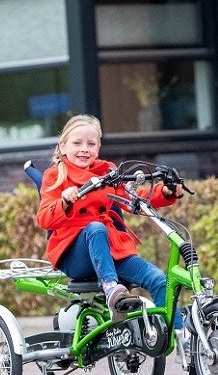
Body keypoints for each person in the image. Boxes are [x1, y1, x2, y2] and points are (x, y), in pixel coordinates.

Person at [35, 114, 185, 333]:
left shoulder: (107, 172)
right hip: (75, 255)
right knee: (96, 229)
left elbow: (134, 198)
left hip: (113, 251)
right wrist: (65, 201)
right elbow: (43, 218)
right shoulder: (55, 176)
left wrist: (165, 191)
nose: (84, 149)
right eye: (77, 143)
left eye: (91, 144)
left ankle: (180, 338)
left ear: (98, 147)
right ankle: (111, 290)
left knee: (159, 280)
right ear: (63, 146)